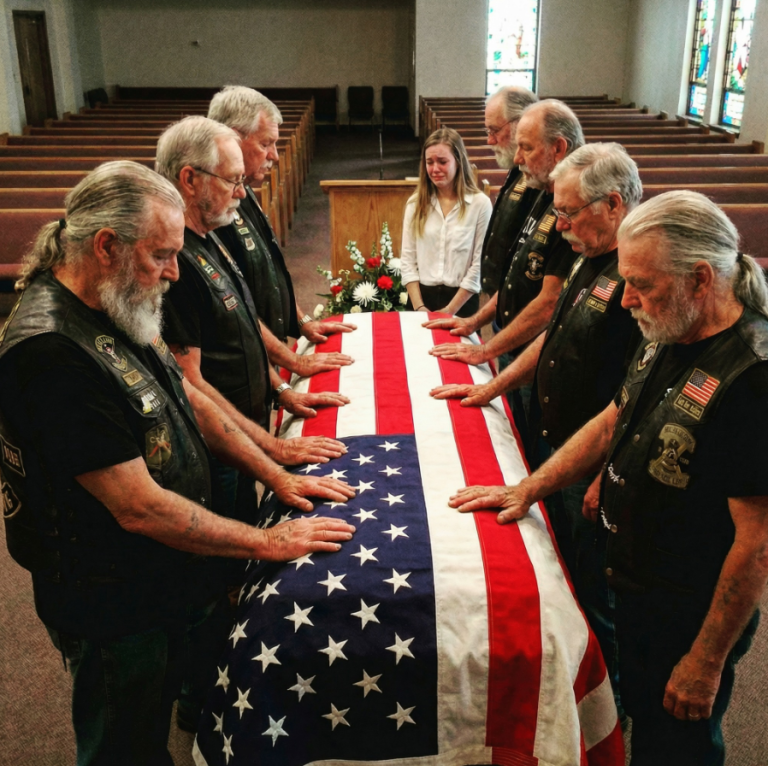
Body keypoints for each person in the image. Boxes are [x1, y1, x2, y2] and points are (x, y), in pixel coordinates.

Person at [0, 161, 356, 766]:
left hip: (152, 579)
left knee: (159, 715)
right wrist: (264, 542)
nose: (173, 272)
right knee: (123, 744)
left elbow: (186, 395)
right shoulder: (51, 351)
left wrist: (275, 470)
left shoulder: (113, 296)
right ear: (107, 245)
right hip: (109, 600)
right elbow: (137, 506)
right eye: (162, 255)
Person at [448, 190, 768, 765]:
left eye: (642, 284)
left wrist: (705, 660)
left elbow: (758, 544)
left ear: (700, 279)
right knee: (640, 715)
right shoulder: (670, 328)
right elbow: (613, 420)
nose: (625, 300)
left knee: (679, 741)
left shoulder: (753, 376)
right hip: (634, 575)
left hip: (687, 607)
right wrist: (530, 488)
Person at [431, 142, 645, 718]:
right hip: (563, 445)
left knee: (597, 594)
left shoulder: (639, 270)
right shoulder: (588, 251)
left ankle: (606, 712)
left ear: (614, 204)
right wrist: (490, 382)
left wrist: (599, 472)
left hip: (594, 463)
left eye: (571, 212)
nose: (560, 224)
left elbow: (633, 399)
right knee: (567, 577)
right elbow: (554, 337)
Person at [154, 116, 349, 524]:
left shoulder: (210, 232)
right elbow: (189, 381)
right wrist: (271, 450)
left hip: (244, 430)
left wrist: (279, 387)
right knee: (228, 556)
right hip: (218, 446)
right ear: (189, 179)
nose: (242, 192)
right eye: (231, 180)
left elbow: (241, 319)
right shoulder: (175, 260)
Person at [428, 99, 584, 443]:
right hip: (513, 341)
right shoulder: (545, 190)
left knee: (527, 445)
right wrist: (474, 323)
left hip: (537, 357)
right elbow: (517, 275)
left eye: (526, 147)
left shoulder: (569, 203)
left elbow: (549, 302)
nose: (516, 157)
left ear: (558, 148)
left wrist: (488, 349)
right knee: (515, 434)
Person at [208, 85, 357, 348]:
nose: (274, 156)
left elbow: (268, 275)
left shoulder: (245, 188)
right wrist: (288, 377)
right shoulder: (212, 209)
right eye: (265, 144)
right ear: (231, 138)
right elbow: (237, 306)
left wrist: (302, 323)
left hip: (264, 355)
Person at [400, 127, 492, 317]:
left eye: (442, 162)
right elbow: (408, 261)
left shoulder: (479, 204)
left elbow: (478, 265)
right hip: (420, 299)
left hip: (461, 300)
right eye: (429, 162)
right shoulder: (415, 204)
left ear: (458, 162)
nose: (434, 169)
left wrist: (449, 311)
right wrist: (419, 308)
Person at [478, 85, 540, 297]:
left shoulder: (543, 177)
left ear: (521, 123)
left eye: (494, 130)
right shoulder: (518, 170)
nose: (489, 140)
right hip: (504, 301)